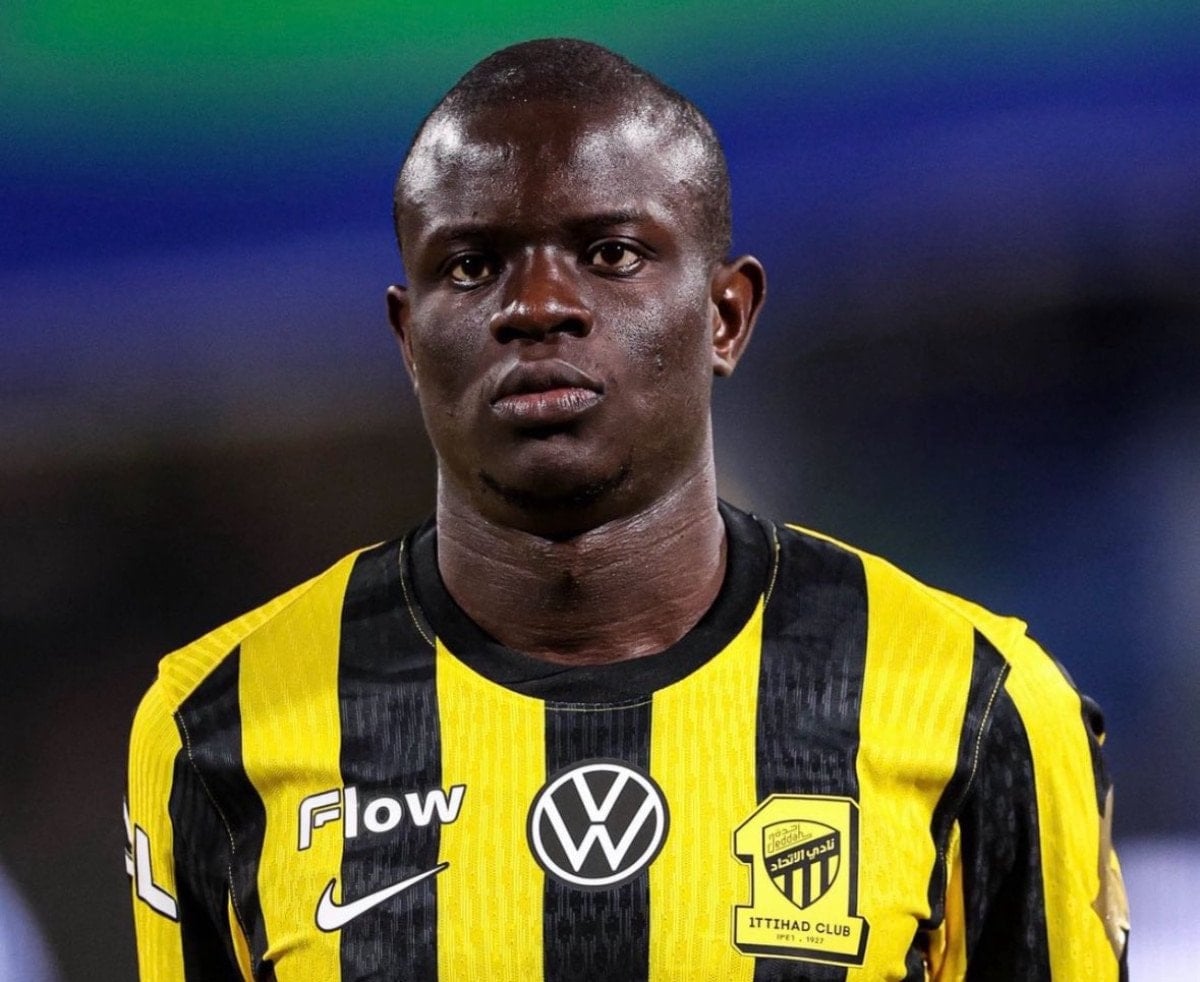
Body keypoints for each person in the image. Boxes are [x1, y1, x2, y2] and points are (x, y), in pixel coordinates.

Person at [126, 38, 1129, 981]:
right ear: (408, 337)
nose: (537, 306)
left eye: (609, 253)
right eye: (471, 265)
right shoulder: (217, 724)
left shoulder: (979, 705)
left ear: (726, 315)